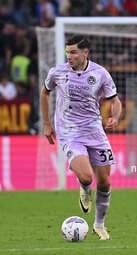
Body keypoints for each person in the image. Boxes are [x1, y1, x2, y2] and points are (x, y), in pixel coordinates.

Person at [40, 34, 122, 240]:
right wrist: (47, 123)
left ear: (85, 53)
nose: (69, 56)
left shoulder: (100, 73)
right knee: (86, 176)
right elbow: (44, 93)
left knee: (104, 183)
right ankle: (84, 189)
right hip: (69, 131)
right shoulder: (58, 72)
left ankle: (99, 225)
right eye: (68, 52)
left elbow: (115, 101)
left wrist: (115, 116)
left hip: (94, 131)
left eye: (73, 52)